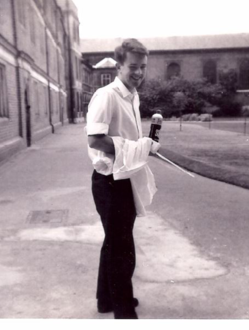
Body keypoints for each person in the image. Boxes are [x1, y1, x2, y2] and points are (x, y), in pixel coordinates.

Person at [85, 39, 159, 319]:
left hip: (124, 177)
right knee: (121, 247)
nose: (138, 72)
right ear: (119, 66)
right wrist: (136, 148)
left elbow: (125, 136)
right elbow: (95, 139)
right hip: (108, 181)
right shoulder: (107, 95)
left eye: (142, 67)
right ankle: (123, 311)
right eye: (133, 67)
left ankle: (106, 299)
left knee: (114, 241)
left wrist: (143, 145)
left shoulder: (132, 95)